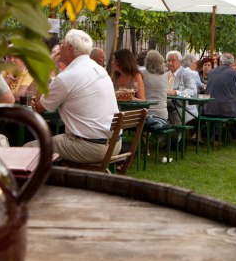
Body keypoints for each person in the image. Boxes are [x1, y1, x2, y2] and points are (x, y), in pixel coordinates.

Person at [30, 29, 119, 163]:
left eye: (62, 44)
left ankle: (36, 183)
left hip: (90, 147)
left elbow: (39, 107)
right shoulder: (100, 70)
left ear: (70, 48)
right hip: (115, 145)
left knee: (28, 149)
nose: (60, 47)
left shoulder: (67, 77)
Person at [203, 53, 236, 148]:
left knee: (218, 110)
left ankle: (215, 138)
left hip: (210, 108)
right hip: (227, 109)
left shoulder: (211, 72)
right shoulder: (234, 74)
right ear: (232, 62)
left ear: (221, 60)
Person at [165, 50, 197, 125]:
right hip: (167, 107)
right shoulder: (166, 74)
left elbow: (193, 91)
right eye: (168, 61)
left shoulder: (186, 73)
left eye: (173, 61)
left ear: (179, 62)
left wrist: (176, 92)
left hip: (184, 109)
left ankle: (177, 135)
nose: (170, 63)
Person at [141, 50, 168, 119]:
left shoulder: (142, 73)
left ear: (147, 60)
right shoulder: (165, 75)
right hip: (163, 114)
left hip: (147, 114)